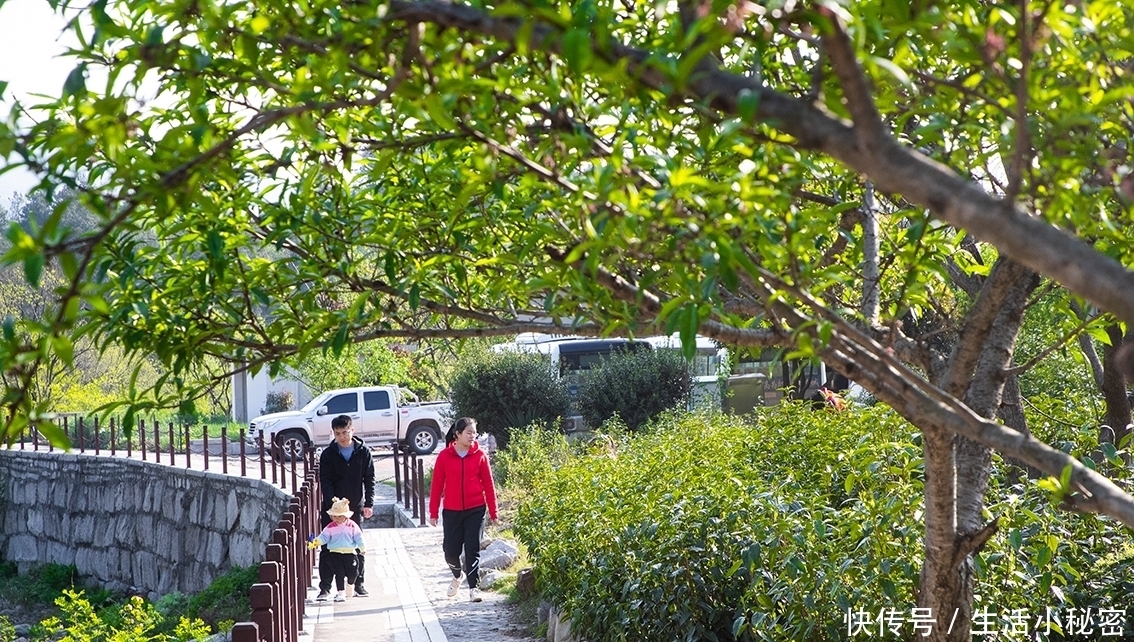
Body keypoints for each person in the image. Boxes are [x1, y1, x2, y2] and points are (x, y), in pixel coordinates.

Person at [428, 417, 498, 603]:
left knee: (472, 549)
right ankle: (457, 575)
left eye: (474, 432)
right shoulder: (444, 457)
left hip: (476, 509)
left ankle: (474, 588)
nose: (472, 436)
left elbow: (489, 485)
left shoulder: (480, 455)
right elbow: (437, 485)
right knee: (450, 551)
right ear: (457, 434)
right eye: (469, 432)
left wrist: (493, 510)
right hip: (452, 510)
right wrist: (433, 512)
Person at [316, 414, 375, 601]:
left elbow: (369, 479)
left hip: (354, 507)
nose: (342, 436)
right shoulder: (328, 454)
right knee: (327, 547)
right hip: (332, 510)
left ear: (352, 430)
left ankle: (358, 584)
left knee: (357, 545)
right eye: (338, 433)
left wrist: (369, 503)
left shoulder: (363, 451)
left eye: (345, 432)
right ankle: (325, 588)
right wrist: (332, 502)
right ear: (333, 433)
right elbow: (325, 480)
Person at [308, 497, 365, 602]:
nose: (336, 519)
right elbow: (323, 537)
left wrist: (362, 548)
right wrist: (314, 543)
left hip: (350, 553)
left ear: (345, 516)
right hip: (335, 553)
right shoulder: (330, 527)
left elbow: (359, 537)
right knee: (339, 573)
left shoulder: (352, 526)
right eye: (334, 516)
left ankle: (350, 584)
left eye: (339, 516)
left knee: (353, 573)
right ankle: (341, 593)